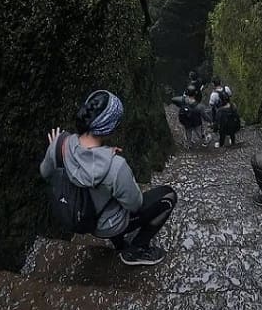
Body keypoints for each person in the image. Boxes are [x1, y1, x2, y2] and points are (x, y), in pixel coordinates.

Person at [40, 89, 177, 266]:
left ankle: (120, 244)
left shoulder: (59, 145)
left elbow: (45, 173)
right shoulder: (115, 167)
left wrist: (53, 149)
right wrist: (116, 168)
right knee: (168, 196)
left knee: (106, 199)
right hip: (109, 225)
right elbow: (135, 205)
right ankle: (135, 249)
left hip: (80, 218)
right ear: (110, 129)